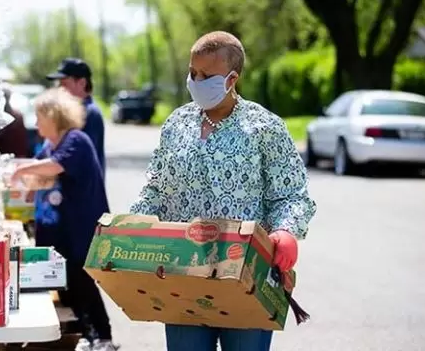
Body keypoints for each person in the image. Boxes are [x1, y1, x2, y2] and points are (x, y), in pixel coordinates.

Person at [129, 31, 317, 351]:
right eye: (192, 73)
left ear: (231, 79)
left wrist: (287, 231)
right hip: (182, 272)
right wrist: (133, 226)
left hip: (246, 274)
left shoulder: (264, 127)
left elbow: (292, 193)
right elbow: (156, 187)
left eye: (206, 75)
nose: (196, 81)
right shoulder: (176, 124)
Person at [11, 88, 115, 351]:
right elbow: (39, 177)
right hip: (57, 229)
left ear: (52, 115)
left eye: (38, 115)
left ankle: (102, 336)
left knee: (82, 280)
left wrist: (21, 170)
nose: (35, 121)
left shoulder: (76, 140)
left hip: (79, 227)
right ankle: (81, 334)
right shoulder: (48, 145)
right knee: (63, 282)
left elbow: (54, 167)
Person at [46, 58, 106, 176]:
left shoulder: (89, 113)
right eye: (59, 84)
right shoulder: (70, 111)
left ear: (82, 83)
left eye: (64, 83)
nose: (60, 89)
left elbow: (77, 158)